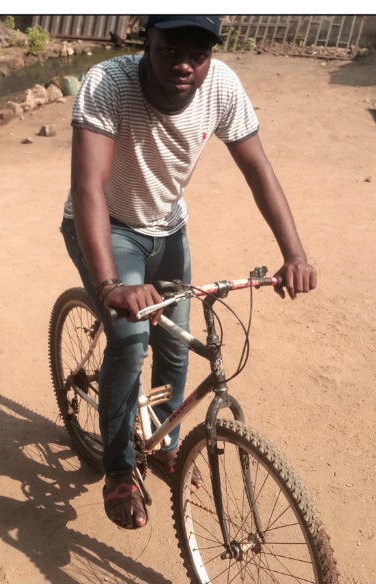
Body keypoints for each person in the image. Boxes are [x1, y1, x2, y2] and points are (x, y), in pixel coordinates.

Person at [60, 15, 317, 530]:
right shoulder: (108, 83)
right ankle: (118, 469)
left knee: (177, 344)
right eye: (169, 50)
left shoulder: (220, 83)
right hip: (108, 227)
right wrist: (111, 284)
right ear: (145, 43)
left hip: (169, 229)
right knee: (132, 341)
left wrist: (295, 254)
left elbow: (258, 168)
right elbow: (88, 186)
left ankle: (166, 445)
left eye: (197, 55)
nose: (184, 65)